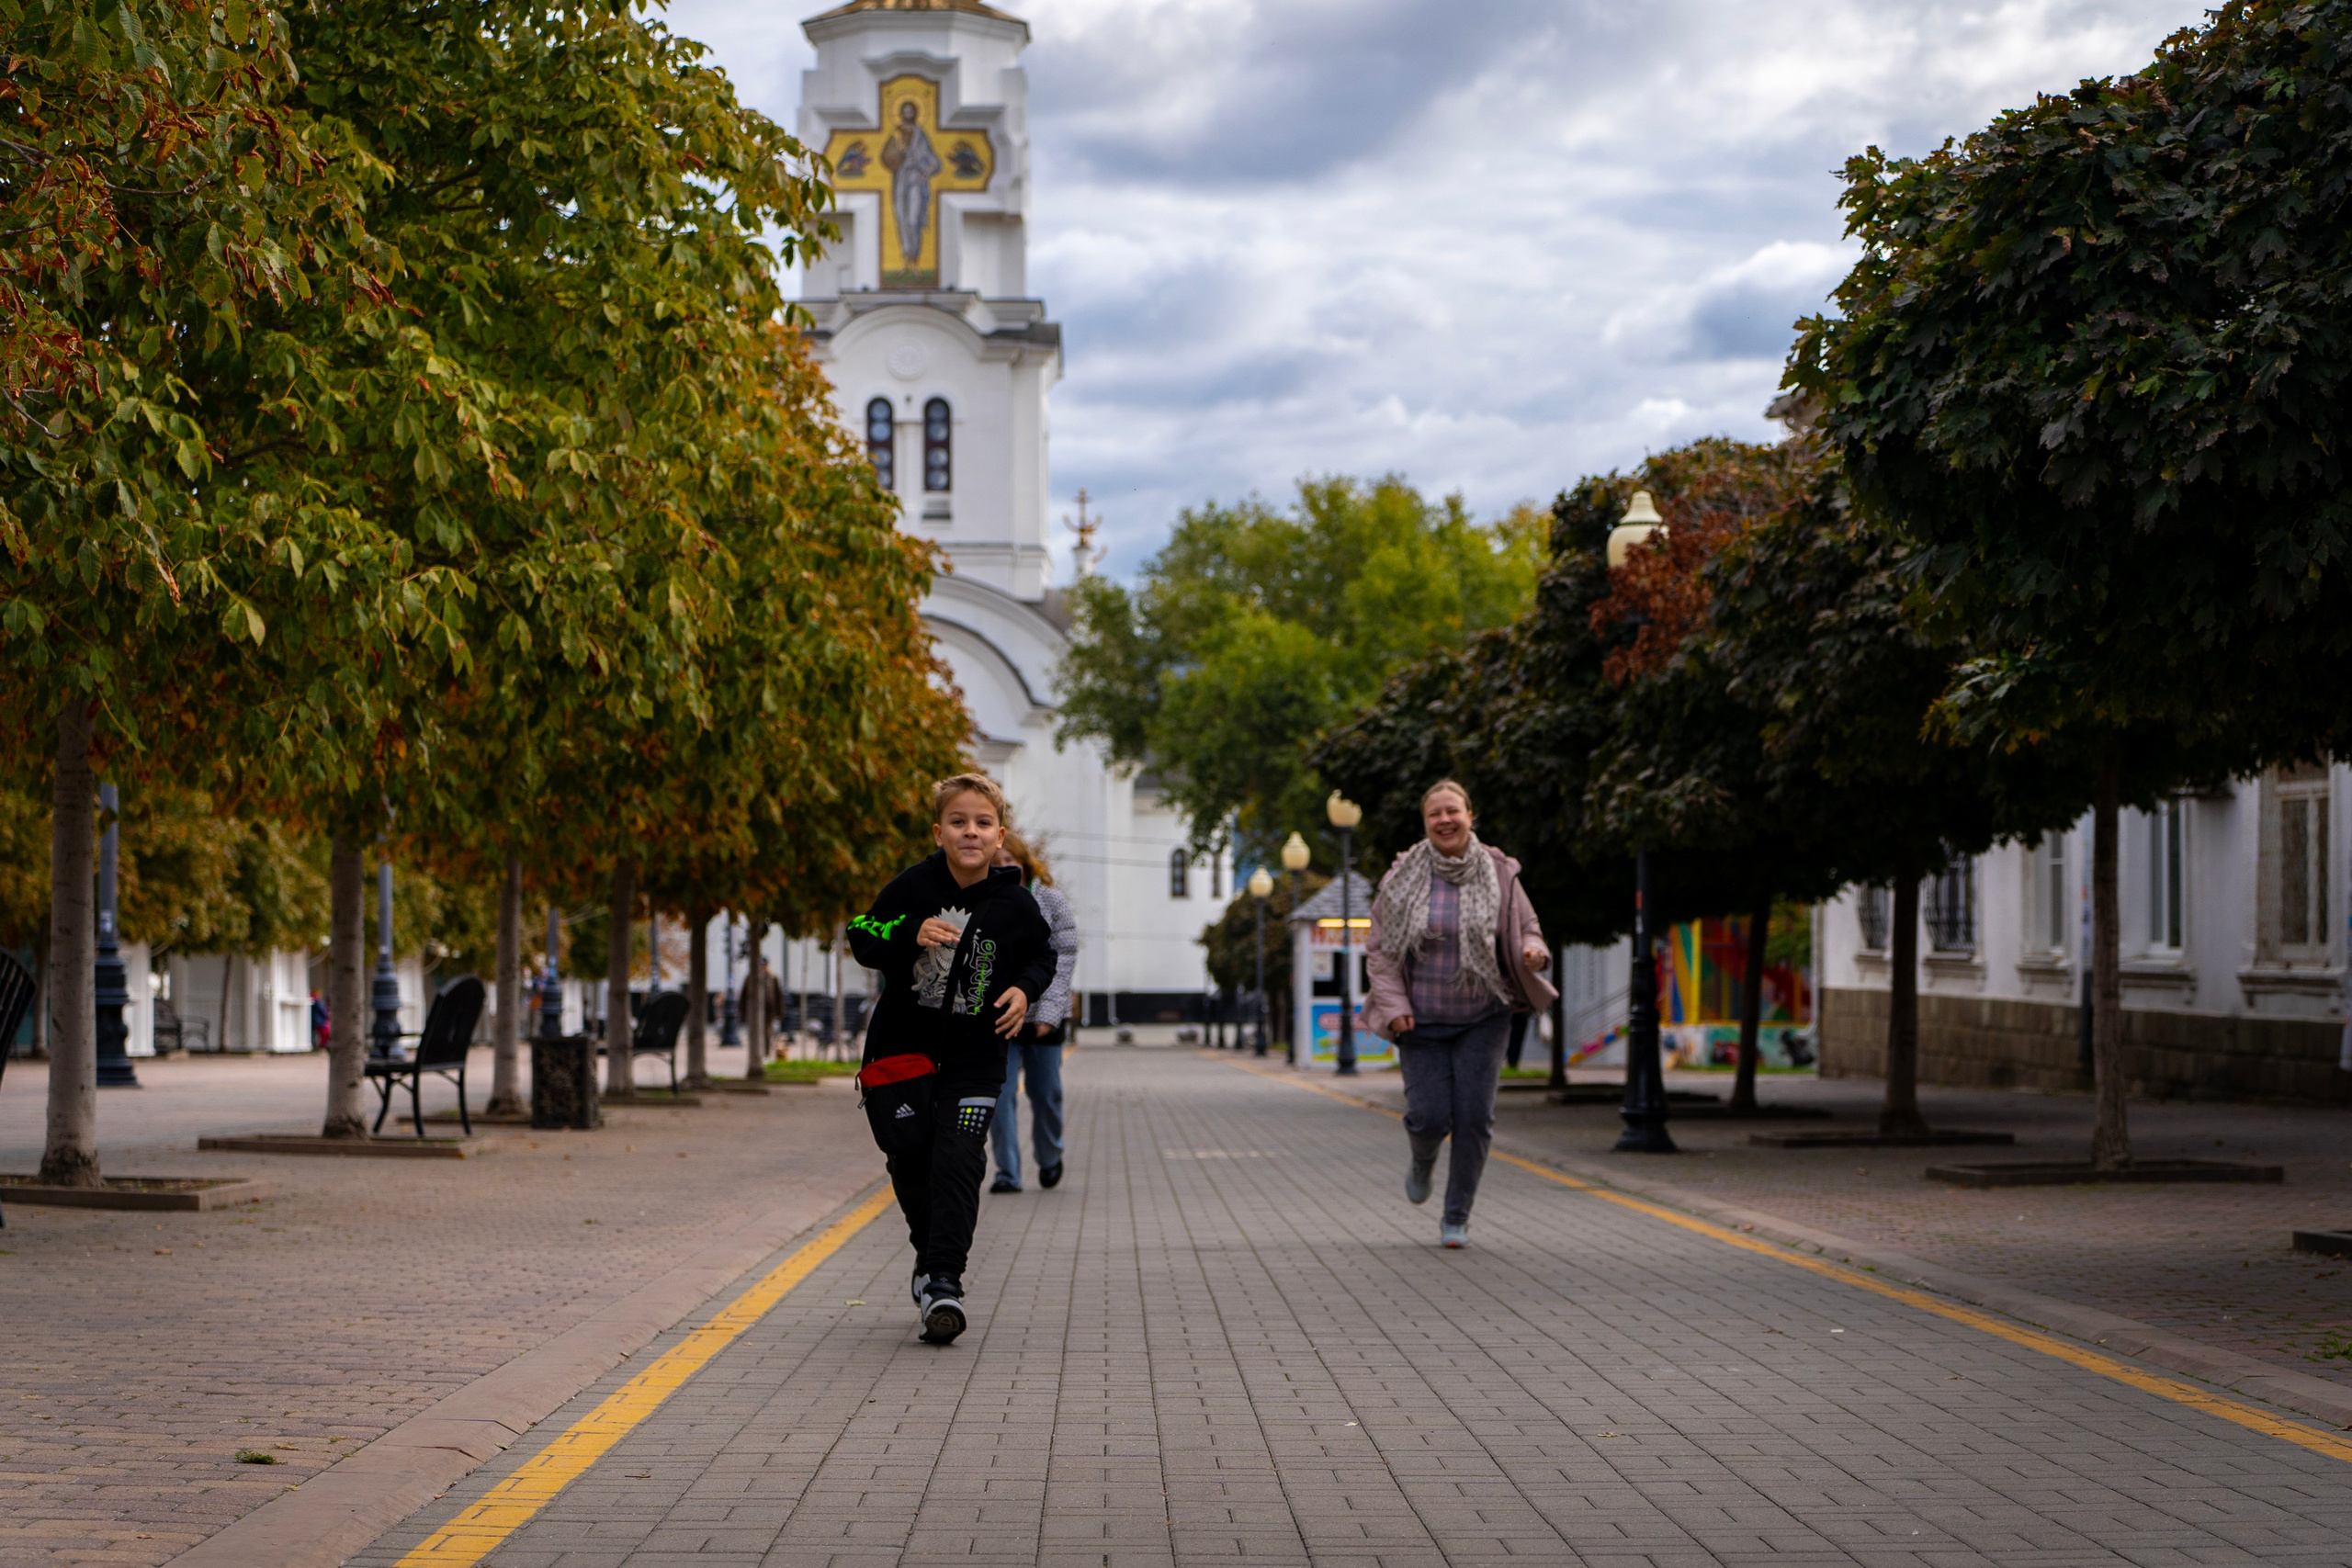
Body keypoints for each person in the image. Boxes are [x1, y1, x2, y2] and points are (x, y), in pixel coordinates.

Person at [848, 773, 1054, 1343]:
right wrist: (909, 931)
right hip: (902, 1053)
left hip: (975, 1056)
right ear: (939, 832)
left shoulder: (1015, 903)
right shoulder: (912, 888)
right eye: (959, 822)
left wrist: (1023, 989)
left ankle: (944, 1282)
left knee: (959, 1159)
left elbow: (1041, 955)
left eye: (982, 823)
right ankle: (928, 1258)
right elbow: (862, 932)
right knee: (910, 1158)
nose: (971, 832)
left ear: (999, 835)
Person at [1363, 779, 1556, 1248]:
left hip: (1485, 1015)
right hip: (1421, 1021)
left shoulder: (1500, 871)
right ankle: (1423, 1156)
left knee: (1473, 1117)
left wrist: (1532, 950)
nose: (1445, 820)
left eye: (1453, 811)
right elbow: (1382, 953)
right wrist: (1395, 1007)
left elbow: (1528, 927)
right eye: (1435, 814)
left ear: (1471, 815)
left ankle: (1456, 1216)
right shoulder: (1401, 877)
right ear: (1425, 823)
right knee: (1429, 1117)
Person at [989, 831, 1077, 1194]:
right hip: (1000, 1017)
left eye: (1011, 862)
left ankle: (1050, 1155)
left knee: (1046, 1094)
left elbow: (1064, 957)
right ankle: (1008, 1172)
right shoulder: (987, 901)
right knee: (999, 1096)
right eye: (999, 865)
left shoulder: (1051, 901)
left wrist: (1050, 1014)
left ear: (1025, 864)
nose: (1006, 869)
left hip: (1044, 1019)